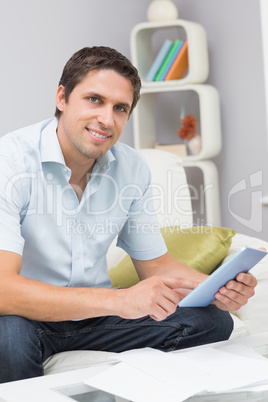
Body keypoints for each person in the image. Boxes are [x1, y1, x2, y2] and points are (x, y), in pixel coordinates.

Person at [0, 46, 256, 383]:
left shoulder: (131, 168)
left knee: (211, 320)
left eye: (120, 108)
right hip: (23, 316)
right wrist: (121, 300)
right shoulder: (11, 161)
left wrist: (216, 288)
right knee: (7, 339)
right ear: (62, 97)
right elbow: (4, 290)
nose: (107, 119)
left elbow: (155, 266)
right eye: (94, 99)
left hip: (97, 322)